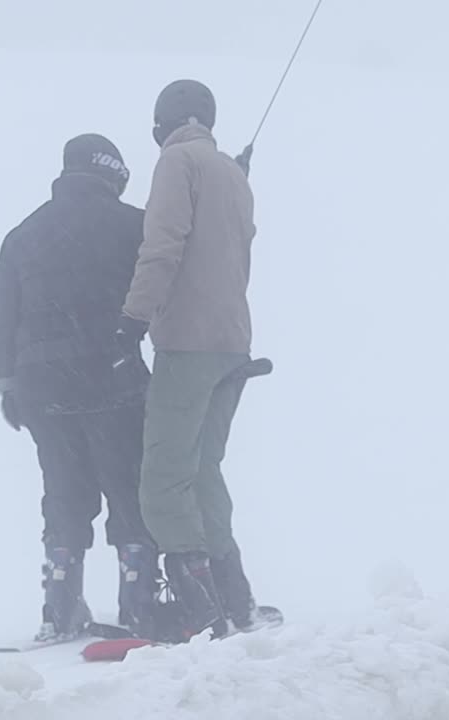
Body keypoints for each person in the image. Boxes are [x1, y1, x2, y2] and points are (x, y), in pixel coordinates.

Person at [0, 134, 159, 642]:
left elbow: (2, 318)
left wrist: (8, 382)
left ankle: (60, 606)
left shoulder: (22, 235)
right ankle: (139, 601)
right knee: (128, 488)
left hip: (41, 388)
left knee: (63, 490)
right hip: (112, 378)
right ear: (112, 173)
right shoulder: (133, 225)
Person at [115, 80, 270, 641]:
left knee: (162, 480)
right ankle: (236, 598)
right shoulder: (231, 172)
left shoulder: (176, 163)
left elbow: (163, 245)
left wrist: (133, 319)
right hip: (234, 342)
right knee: (204, 471)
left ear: (164, 122)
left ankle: (200, 611)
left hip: (187, 343)